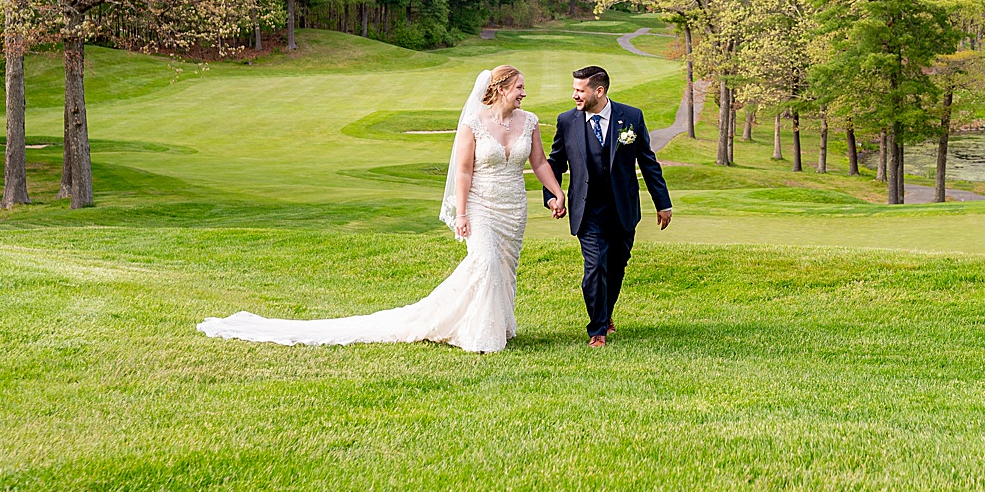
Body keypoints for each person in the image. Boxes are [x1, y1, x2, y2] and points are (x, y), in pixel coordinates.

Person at [197, 64, 564, 353]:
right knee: (483, 262)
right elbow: (464, 170)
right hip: (482, 206)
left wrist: (556, 192)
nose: (524, 93)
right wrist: (463, 213)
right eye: (519, 87)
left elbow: (540, 163)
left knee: (504, 267)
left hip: (513, 209)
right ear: (501, 88)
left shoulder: (528, 121)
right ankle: (481, 336)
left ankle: (499, 325)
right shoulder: (473, 124)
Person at [545, 65, 671, 346]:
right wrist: (552, 195)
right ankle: (597, 329)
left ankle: (606, 312)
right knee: (594, 268)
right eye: (574, 89)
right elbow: (555, 162)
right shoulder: (567, 121)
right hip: (587, 210)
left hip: (623, 208)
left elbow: (648, 162)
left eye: (580, 90)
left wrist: (662, 203)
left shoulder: (631, 117)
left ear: (598, 91)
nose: (574, 95)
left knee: (616, 267)